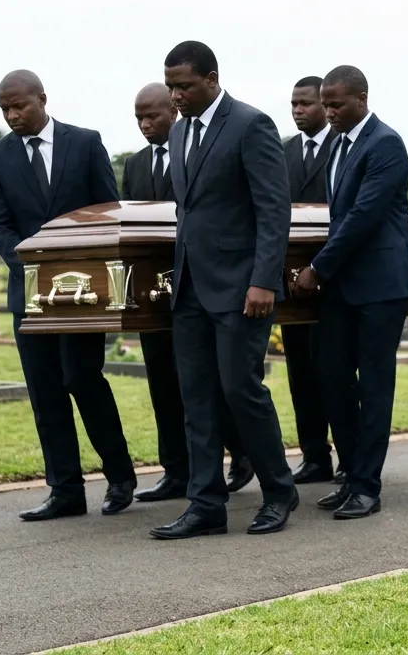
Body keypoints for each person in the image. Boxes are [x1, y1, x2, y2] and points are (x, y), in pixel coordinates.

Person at [150, 41, 297, 540]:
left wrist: (264, 281)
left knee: (240, 389)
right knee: (197, 398)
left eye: (185, 86)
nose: (176, 95)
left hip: (241, 288)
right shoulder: (178, 132)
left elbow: (274, 210)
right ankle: (205, 503)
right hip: (189, 287)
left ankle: (279, 491)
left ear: (212, 78)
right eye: (171, 86)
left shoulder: (250, 125)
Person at [0, 69, 136, 521]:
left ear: (42, 99)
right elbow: (0, 224)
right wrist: (34, 270)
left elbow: (109, 213)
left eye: (19, 106)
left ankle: (121, 475)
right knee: (45, 392)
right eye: (4, 109)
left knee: (82, 380)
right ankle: (64, 491)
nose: (12, 115)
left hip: (83, 293)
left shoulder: (85, 143)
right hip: (28, 294)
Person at [293, 65, 408, 520]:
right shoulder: (340, 146)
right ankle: (351, 473)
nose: (328, 113)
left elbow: (364, 216)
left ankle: (367, 485)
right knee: (330, 374)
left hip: (380, 283)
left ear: (361, 99)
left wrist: (317, 268)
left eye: (336, 105)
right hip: (345, 283)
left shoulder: (384, 143)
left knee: (375, 384)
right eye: (324, 104)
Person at [123, 83, 252, 503]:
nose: (145, 125)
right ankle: (176, 471)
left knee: (213, 382)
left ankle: (241, 453)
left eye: (153, 116)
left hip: (201, 283)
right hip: (155, 293)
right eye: (139, 118)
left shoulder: (199, 149)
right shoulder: (135, 164)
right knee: (163, 383)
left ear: (173, 112)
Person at [281, 75, 343, 485]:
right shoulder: (281, 151)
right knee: (300, 374)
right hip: (291, 283)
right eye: (293, 104)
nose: (298, 111)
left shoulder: (344, 147)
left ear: (323, 105)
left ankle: (349, 456)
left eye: (305, 104)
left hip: (331, 276)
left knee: (334, 373)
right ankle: (314, 456)